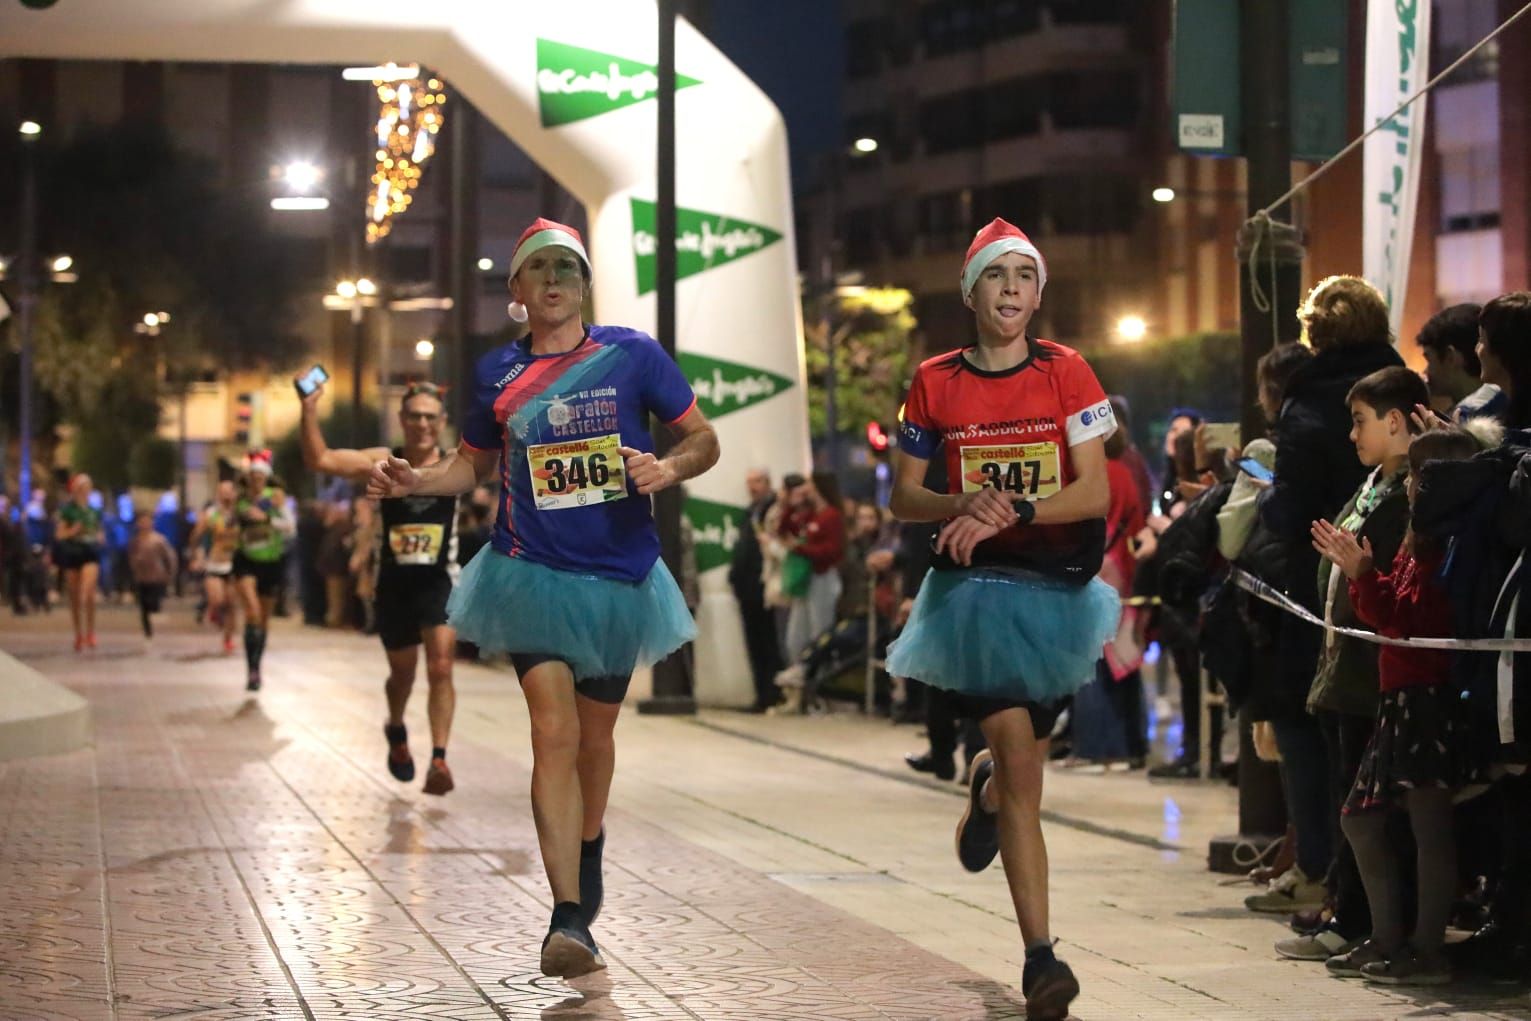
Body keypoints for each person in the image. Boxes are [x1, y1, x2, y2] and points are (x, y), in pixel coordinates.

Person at [366, 217, 719, 978]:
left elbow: (704, 437)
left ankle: (587, 839)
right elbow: (467, 467)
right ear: (517, 291)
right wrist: (415, 480)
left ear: (583, 281)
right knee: (551, 730)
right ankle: (567, 915)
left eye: (567, 265)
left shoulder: (632, 355)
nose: (554, 278)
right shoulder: (495, 371)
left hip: (621, 581)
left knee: (594, 739)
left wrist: (669, 465)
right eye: (538, 269)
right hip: (529, 573)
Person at [885, 218, 1118, 1020]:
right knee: (1022, 763)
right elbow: (903, 495)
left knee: (1023, 771)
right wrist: (963, 503)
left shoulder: (1068, 371)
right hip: (977, 594)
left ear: (1038, 293)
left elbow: (1096, 491)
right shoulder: (934, 379)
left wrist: (1010, 505)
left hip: (1059, 588)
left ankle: (984, 795)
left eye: (1025, 275)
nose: (1011, 288)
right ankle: (1041, 959)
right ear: (970, 291)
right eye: (996, 275)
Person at [1255, 275, 1403, 914]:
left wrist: (1265, 495)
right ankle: (1372, 891)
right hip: (1393, 569)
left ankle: (1326, 874)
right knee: (1374, 730)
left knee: (1308, 723)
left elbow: (1288, 507)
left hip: (1317, 579)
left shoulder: (1308, 397)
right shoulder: (1400, 381)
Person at [1314, 427, 1481, 984]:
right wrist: (1364, 575)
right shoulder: (1420, 540)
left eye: (1418, 475)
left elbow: (1415, 622)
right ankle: (1389, 938)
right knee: (1361, 820)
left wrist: (1363, 575)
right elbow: (1392, 614)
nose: (1409, 485)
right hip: (1400, 696)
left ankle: (1425, 950)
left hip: (1426, 699)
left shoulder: (1449, 543)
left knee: (1429, 827)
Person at [1271, 365, 1426, 958]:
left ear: (1394, 421)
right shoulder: (1371, 486)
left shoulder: (1413, 489)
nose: (1352, 436)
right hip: (1345, 668)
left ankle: (1369, 922)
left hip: (1376, 673)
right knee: (1348, 797)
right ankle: (1347, 911)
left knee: (1372, 808)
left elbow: (1388, 578)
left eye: (1360, 422)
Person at [301, 378, 463, 795]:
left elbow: (506, 458)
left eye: (431, 417)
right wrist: (309, 408)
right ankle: (395, 726)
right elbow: (321, 459)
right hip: (394, 585)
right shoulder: (383, 461)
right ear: (402, 419)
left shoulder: (455, 463)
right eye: (415, 416)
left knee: (442, 665)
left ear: (442, 421)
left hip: (439, 581)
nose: (423, 424)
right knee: (402, 673)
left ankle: (440, 760)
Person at [233, 452, 294, 691]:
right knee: (253, 611)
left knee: (264, 619)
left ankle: (256, 668)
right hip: (246, 559)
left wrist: (267, 520)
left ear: (266, 478)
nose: (256, 480)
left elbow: (290, 527)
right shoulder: (240, 500)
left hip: (270, 561)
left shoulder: (275, 499)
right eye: (252, 476)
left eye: (260, 476)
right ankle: (251, 670)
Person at [729, 467, 784, 711]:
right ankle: (762, 694)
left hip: (763, 586)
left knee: (768, 643)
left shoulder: (772, 510)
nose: (753, 487)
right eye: (749, 482)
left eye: (758, 482)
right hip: (747, 587)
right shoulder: (752, 511)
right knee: (755, 644)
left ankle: (772, 693)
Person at [778, 472, 846, 663]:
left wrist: (800, 549)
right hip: (806, 579)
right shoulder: (811, 515)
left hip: (822, 577)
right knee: (796, 634)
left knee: (820, 630)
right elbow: (784, 530)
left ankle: (821, 674)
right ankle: (800, 669)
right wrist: (790, 505)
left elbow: (833, 550)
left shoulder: (831, 516)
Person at [1415, 303, 1505, 422]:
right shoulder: (1507, 402)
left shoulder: (1467, 418)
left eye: (1429, 360)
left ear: (1450, 357)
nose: (1425, 371)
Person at [189, 481, 241, 654]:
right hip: (215, 563)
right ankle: (214, 612)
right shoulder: (211, 514)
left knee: (231, 603)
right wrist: (196, 556)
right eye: (222, 492)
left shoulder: (241, 514)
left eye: (229, 492)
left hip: (235, 564)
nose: (226, 496)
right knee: (217, 600)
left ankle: (228, 639)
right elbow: (196, 535)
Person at [54, 474, 104, 652]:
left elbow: (100, 532)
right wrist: (73, 531)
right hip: (73, 552)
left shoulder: (94, 511)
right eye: (81, 488)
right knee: (74, 596)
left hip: (90, 552)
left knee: (87, 592)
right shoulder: (68, 511)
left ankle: (90, 631)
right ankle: (79, 634)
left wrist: (98, 537)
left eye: (87, 488)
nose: (85, 492)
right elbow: (59, 535)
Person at [127, 512, 178, 642]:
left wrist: (169, 573)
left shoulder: (159, 540)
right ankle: (147, 630)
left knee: (153, 602)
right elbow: (131, 557)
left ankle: (156, 624)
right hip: (141, 577)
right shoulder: (135, 541)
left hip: (157, 577)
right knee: (143, 605)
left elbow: (169, 557)